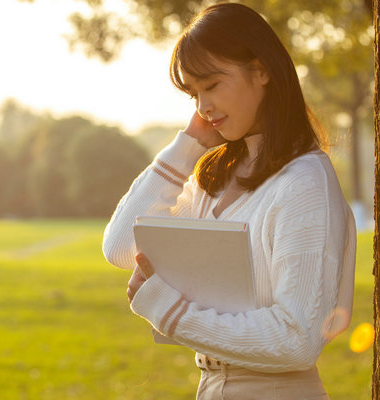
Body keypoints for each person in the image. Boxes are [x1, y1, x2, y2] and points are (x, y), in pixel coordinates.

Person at [102, 3, 356, 399]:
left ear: (262, 71)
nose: (202, 107)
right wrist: (188, 146)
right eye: (193, 93)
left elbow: (298, 339)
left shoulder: (305, 183)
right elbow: (121, 247)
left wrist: (172, 312)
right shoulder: (213, 180)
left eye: (212, 85)